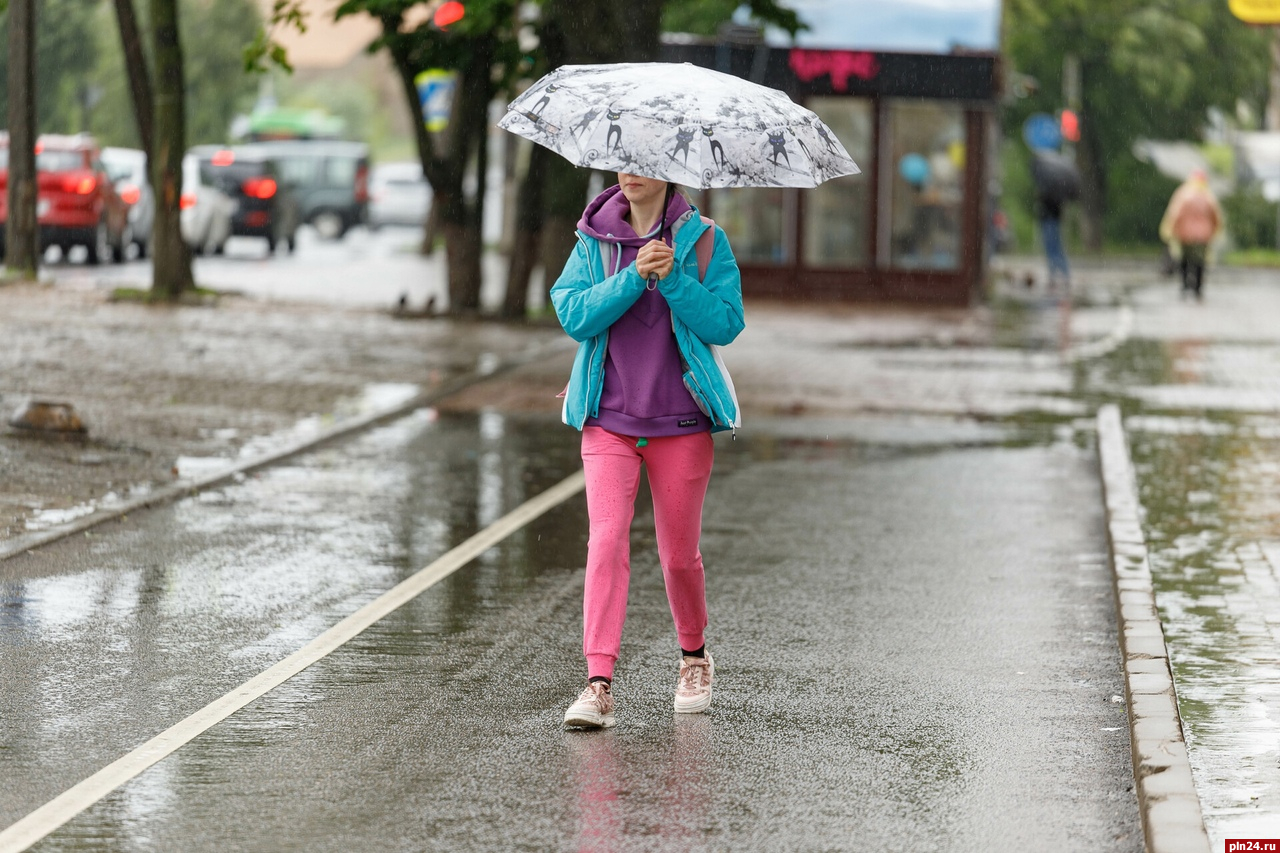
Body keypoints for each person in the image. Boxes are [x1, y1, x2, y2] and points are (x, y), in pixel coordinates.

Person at [550, 172, 744, 729]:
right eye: (621, 159)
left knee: (678, 555)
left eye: (642, 161)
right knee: (606, 541)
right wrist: (633, 277)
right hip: (608, 419)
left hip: (680, 422)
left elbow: (728, 323)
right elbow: (573, 314)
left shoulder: (705, 239)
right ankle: (598, 683)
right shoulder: (593, 240)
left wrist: (675, 281)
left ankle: (693, 656)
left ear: (668, 170)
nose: (629, 172)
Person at [1160, 171, 1223, 301]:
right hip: (1203, 236)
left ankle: (1184, 284)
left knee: (1185, 259)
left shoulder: (1183, 194)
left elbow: (1175, 213)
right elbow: (1215, 216)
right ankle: (1198, 288)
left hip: (1185, 234)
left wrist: (1171, 229)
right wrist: (1215, 230)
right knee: (1200, 261)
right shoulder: (1208, 196)